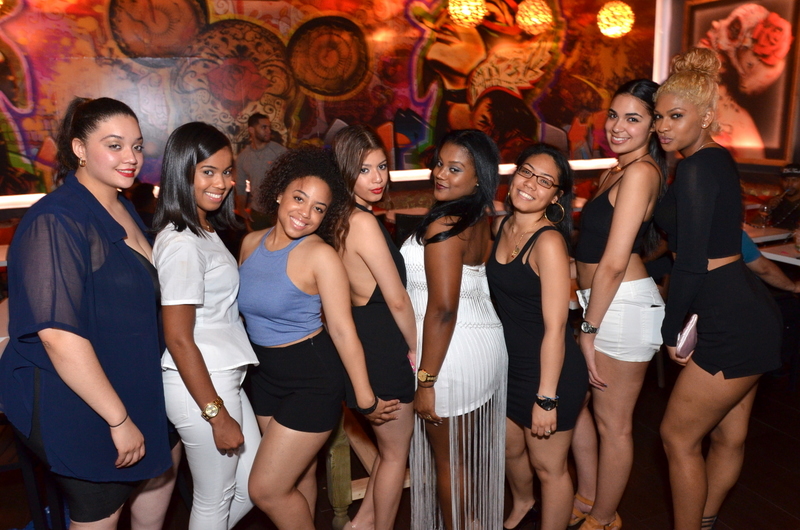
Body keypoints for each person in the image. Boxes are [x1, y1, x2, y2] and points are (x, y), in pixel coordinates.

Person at [0, 97, 172, 528]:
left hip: (124, 383)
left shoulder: (121, 205)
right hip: (76, 400)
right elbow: (58, 336)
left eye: (136, 146)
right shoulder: (56, 220)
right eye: (114, 145)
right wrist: (118, 418)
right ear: (79, 148)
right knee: (100, 513)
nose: (131, 157)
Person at [653, 47, 781, 530]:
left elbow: (690, 262)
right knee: (728, 437)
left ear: (706, 116)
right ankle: (704, 521)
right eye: (659, 116)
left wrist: (670, 331)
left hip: (729, 317)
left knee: (677, 437)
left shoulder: (695, 168)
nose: (663, 126)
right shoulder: (713, 160)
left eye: (676, 116)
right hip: (746, 308)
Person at [239, 147, 399, 529]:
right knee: (298, 477)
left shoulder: (321, 256)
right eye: (299, 198)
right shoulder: (250, 243)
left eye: (318, 208)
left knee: (266, 489)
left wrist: (364, 397)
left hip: (311, 379)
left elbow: (342, 330)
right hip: (264, 375)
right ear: (279, 193)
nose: (305, 213)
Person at [152, 122, 260, 529]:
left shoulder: (203, 229)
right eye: (208, 172)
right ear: (183, 173)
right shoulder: (182, 241)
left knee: (253, 485)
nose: (222, 183)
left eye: (227, 171)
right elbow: (179, 338)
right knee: (214, 500)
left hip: (221, 376)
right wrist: (215, 415)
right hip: (201, 386)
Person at [569, 79, 667, 530]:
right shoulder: (617, 169)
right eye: (613, 115)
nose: (617, 126)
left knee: (615, 424)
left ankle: (605, 518)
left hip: (622, 307)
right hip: (600, 301)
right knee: (579, 406)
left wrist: (588, 330)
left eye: (632, 118)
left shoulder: (641, 172)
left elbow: (612, 262)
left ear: (653, 126)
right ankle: (589, 496)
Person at [400, 129, 508, 530]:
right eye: (439, 164)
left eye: (454, 168)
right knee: (461, 457)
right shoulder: (479, 216)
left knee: (448, 463)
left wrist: (426, 381)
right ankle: (473, 522)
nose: (440, 173)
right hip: (480, 341)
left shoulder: (446, 222)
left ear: (478, 177)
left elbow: (443, 309)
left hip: (449, 351)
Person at [487, 143, 588, 530]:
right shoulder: (503, 225)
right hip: (510, 366)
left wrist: (547, 398)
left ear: (556, 196)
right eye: (526, 172)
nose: (530, 184)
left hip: (549, 371)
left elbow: (556, 328)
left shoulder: (548, 242)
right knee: (511, 450)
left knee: (550, 468)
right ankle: (524, 502)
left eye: (544, 181)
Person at [331, 125, 416, 530]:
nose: (378, 178)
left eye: (382, 166)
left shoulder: (337, 218)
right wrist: (417, 349)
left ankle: (360, 524)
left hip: (363, 343)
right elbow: (397, 298)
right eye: (364, 170)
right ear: (346, 172)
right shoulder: (362, 222)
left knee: (387, 452)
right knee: (397, 456)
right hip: (383, 346)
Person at [234, 113, 287, 230]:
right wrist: (241, 209)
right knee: (255, 241)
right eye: (264, 127)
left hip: (278, 212)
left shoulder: (280, 152)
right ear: (251, 130)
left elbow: (292, 179)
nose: (268, 131)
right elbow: (240, 186)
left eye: (269, 127)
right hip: (257, 212)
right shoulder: (243, 157)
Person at [766, 163, 800, 229]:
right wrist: (767, 208)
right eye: (786, 180)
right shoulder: (775, 201)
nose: (789, 184)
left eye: (794, 180)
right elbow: (755, 225)